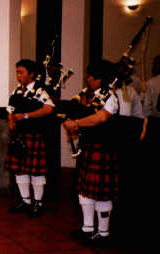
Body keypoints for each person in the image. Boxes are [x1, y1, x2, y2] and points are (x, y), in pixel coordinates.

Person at [63, 60, 118, 244]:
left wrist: (76, 124)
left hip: (104, 149)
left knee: (101, 193)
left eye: (90, 76)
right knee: (85, 191)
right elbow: (80, 114)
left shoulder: (110, 97)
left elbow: (100, 118)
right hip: (88, 148)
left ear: (100, 79)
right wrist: (71, 126)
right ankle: (87, 229)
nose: (87, 79)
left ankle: (103, 233)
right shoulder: (88, 97)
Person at [5, 59, 54, 217]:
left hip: (34, 135)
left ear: (31, 74)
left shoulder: (40, 91)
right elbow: (10, 110)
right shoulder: (16, 91)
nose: (18, 75)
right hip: (19, 136)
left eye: (21, 72)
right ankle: (25, 201)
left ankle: (37, 203)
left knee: (36, 172)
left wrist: (26, 116)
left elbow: (48, 109)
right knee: (20, 171)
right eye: (17, 72)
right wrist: (11, 121)